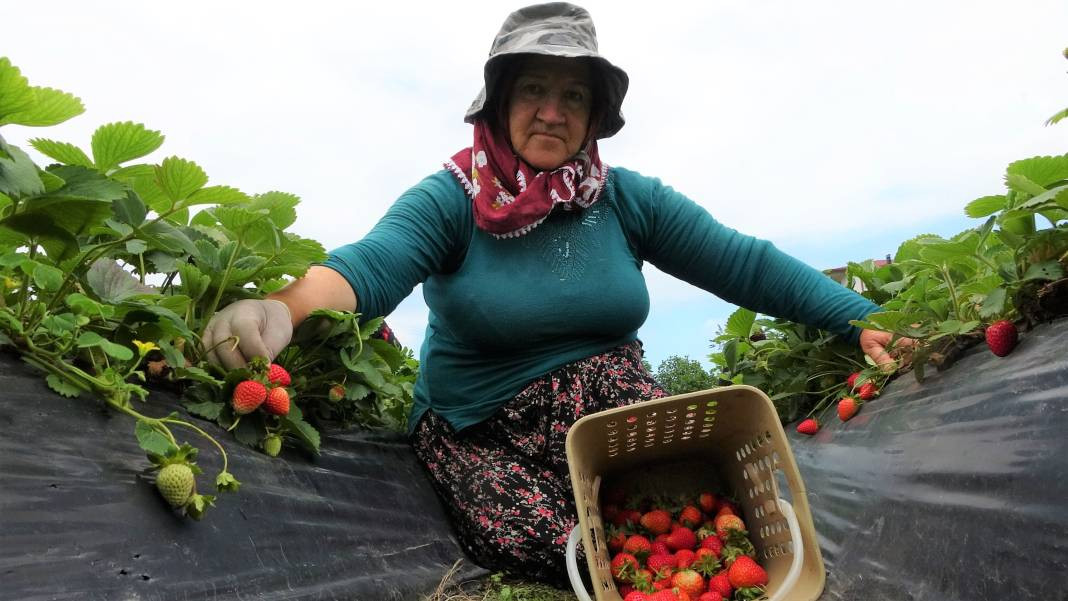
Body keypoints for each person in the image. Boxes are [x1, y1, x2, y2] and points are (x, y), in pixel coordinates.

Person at [204, 2, 905, 587]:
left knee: (684, 515)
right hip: (480, 428)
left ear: (595, 117)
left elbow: (743, 264)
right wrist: (283, 307)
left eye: (574, 96)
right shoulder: (452, 200)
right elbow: (368, 267)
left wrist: (863, 319)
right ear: (500, 100)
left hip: (610, 414)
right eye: (534, 89)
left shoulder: (626, 200)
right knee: (573, 548)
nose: (552, 111)